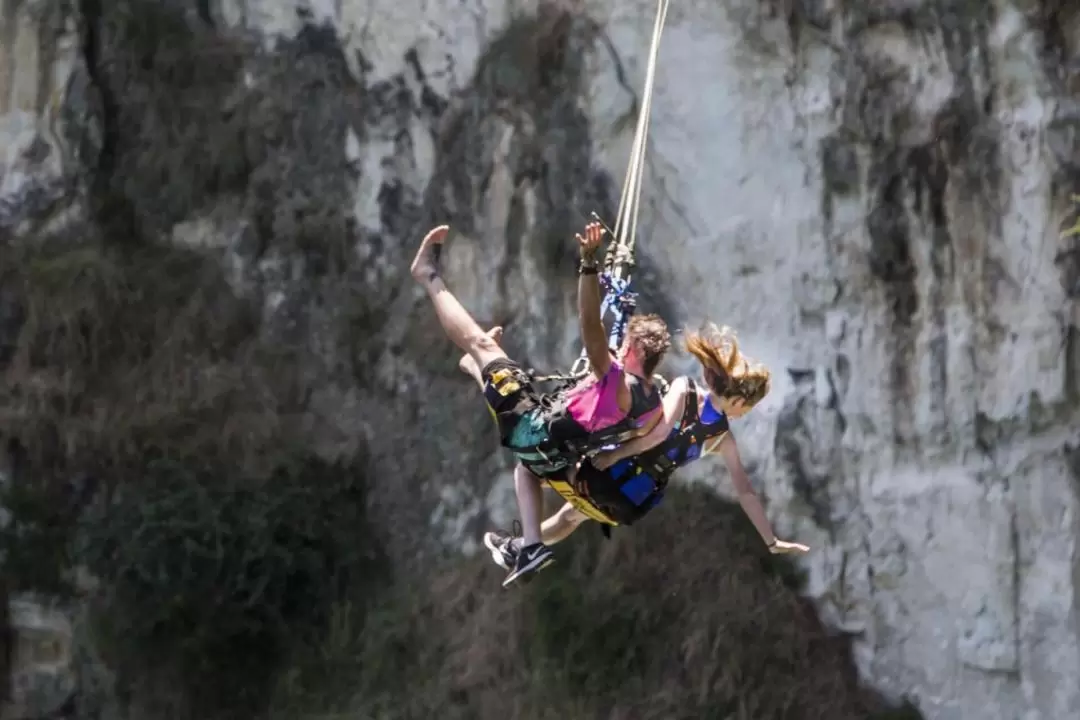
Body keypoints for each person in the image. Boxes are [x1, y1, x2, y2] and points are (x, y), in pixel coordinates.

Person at [411, 221, 672, 587]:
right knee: (526, 465)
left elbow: (590, 326)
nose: (621, 347)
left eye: (626, 343)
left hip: (532, 430)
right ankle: (532, 545)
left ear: (636, 350)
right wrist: (610, 456)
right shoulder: (653, 404)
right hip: (557, 454)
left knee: (481, 345)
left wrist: (588, 263)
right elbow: (651, 434)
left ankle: (427, 276)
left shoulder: (614, 378)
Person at [482, 324, 810, 573]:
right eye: (747, 409)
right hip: (631, 501)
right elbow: (746, 492)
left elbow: (655, 433)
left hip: (608, 473)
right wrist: (770, 539)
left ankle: (526, 546)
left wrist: (612, 454)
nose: (744, 414)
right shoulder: (723, 439)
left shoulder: (686, 389)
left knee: (532, 464)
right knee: (572, 516)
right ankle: (518, 547)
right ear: (738, 400)